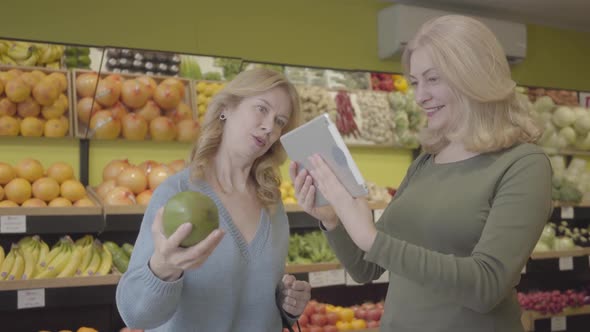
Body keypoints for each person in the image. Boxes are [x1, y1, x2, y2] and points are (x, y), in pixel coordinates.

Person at [291, 15, 552, 332]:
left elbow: (487, 287)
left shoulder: (523, 164)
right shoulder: (426, 163)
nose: (419, 96)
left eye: (433, 79)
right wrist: (333, 220)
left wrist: (370, 238)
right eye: (415, 82)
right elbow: (365, 268)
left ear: (473, 75)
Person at [116, 68, 311, 332]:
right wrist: (163, 268)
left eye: (279, 121)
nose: (268, 127)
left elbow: (254, 295)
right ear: (227, 108)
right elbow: (135, 315)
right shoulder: (178, 192)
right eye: (261, 109)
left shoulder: (272, 202)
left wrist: (286, 305)